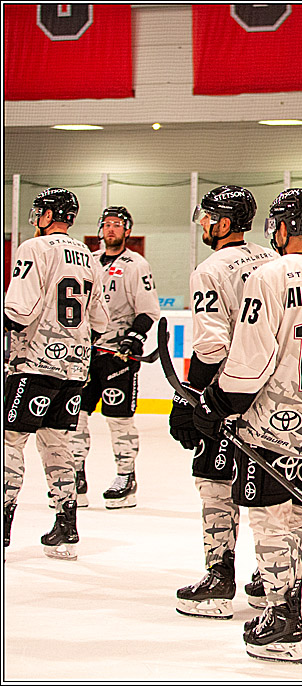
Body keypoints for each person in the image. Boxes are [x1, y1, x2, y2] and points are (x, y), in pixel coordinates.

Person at [191, 188, 302, 663]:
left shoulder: (271, 275)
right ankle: (286, 603)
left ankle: (281, 620)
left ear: (286, 227)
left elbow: (249, 360)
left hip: (272, 424)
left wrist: (215, 403)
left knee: (272, 519)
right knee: (298, 515)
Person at [169, 185, 277, 620]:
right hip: (275, 397)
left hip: (226, 397)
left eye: (208, 216)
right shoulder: (273, 259)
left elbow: (211, 346)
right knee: (272, 490)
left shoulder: (210, 269)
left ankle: (219, 578)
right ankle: (273, 580)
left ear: (225, 222)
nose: (203, 223)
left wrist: (190, 398)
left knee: (215, 482)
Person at [4, 188, 108, 559]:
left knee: (9, 440)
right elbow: (100, 320)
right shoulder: (89, 256)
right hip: (75, 367)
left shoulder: (34, 248)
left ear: (49, 215)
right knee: (56, 442)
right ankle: (66, 526)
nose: (36, 219)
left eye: (39, 212)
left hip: (34, 364)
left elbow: (19, 310)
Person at [68, 206, 160, 509]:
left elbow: (148, 310)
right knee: (76, 417)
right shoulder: (89, 260)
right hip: (86, 353)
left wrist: (134, 337)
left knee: (119, 419)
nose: (111, 229)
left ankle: (125, 476)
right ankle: (76, 475)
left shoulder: (136, 264)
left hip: (118, 356)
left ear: (127, 230)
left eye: (117, 224)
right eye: (106, 224)